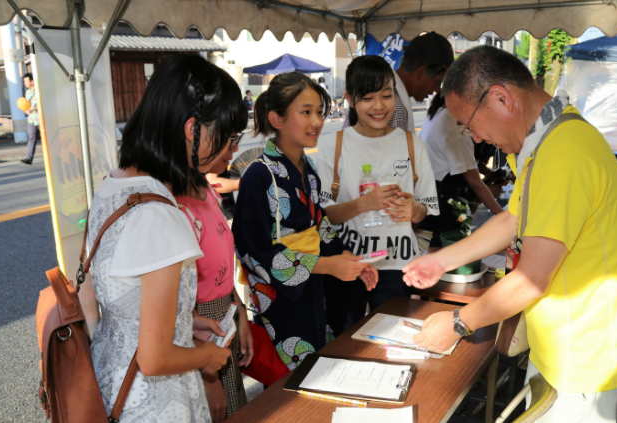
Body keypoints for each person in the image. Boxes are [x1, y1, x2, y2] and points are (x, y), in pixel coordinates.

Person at [403, 45, 617, 422]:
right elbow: (514, 220)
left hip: (586, 361)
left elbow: (530, 281)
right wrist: (441, 260)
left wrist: (456, 324)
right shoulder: (548, 142)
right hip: (567, 351)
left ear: (501, 98)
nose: (476, 138)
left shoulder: (564, 153)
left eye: (469, 124)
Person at [87, 54, 242, 422]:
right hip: (155, 406)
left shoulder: (115, 185)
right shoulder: (161, 215)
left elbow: (125, 298)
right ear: (193, 130)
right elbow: (155, 359)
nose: (229, 151)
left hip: (112, 386)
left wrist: (183, 325)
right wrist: (208, 357)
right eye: (227, 136)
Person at [232, 72, 378, 370]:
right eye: (306, 112)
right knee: (294, 383)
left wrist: (346, 259)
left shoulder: (308, 169)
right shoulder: (259, 175)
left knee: (326, 367)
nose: (317, 122)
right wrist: (326, 265)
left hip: (315, 288)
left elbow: (320, 226)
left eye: (320, 113)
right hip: (283, 301)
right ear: (277, 118)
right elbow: (253, 249)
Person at [317, 55, 439, 336]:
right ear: (349, 98)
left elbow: (427, 208)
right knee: (344, 345)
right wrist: (363, 204)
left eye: (386, 96)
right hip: (347, 264)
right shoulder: (331, 145)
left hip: (398, 265)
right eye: (368, 97)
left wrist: (414, 211)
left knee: (394, 341)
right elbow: (323, 216)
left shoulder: (413, 145)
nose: (379, 106)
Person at [175, 134, 252, 420]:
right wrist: (209, 379)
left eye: (236, 137)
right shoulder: (176, 206)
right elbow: (179, 302)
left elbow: (219, 269)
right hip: (200, 332)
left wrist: (239, 313)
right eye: (228, 138)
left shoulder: (205, 190)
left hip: (222, 320)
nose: (235, 148)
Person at [419, 93, 504, 253]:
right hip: (442, 200)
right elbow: (475, 183)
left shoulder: (438, 113)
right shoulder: (455, 130)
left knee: (434, 250)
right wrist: (503, 216)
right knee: (443, 252)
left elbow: (462, 162)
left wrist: (488, 172)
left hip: (429, 193)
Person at [341, 32, 454, 132]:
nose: (438, 89)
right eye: (438, 82)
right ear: (420, 73)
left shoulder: (385, 93)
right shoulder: (395, 107)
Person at [21, 73, 40, 165]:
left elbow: (41, 103)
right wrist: (26, 110)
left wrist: (32, 109)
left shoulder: (39, 90)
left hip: (40, 118)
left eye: (26, 81)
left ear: (32, 81)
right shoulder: (27, 92)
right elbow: (25, 104)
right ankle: (29, 158)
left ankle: (52, 157)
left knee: (47, 139)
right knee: (31, 138)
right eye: (24, 81)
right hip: (31, 119)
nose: (24, 83)